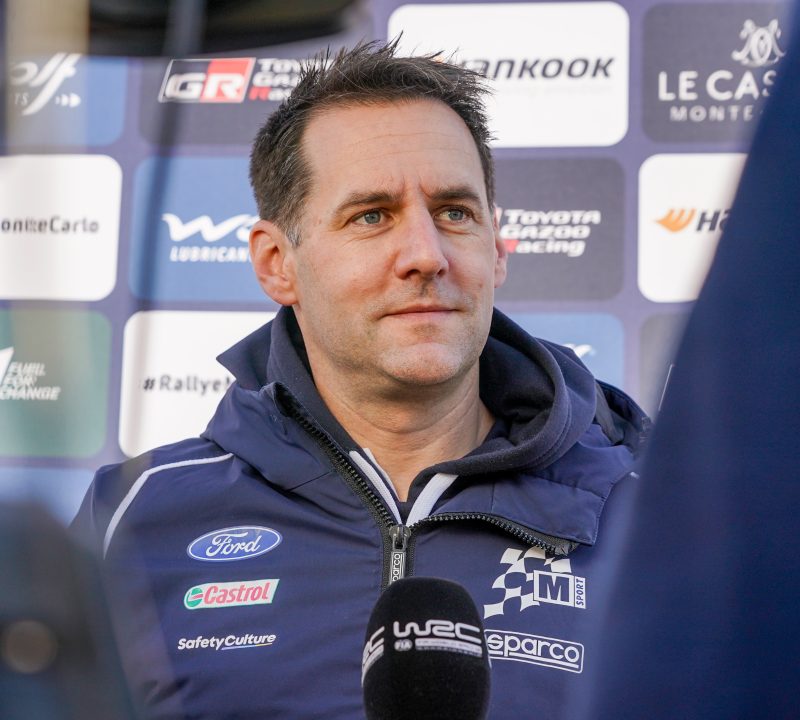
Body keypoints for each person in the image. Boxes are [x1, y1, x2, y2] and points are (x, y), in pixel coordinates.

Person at [74, 40, 648, 719]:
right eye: (371, 216)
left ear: (496, 248)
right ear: (276, 262)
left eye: (455, 212)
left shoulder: (651, 515)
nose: (425, 255)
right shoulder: (133, 520)